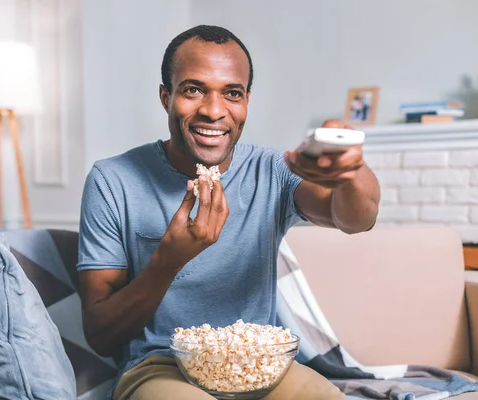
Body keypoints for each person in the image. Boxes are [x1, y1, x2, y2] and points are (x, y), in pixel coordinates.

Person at [77, 25, 380, 400]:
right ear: (165, 96)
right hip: (160, 367)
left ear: (246, 102)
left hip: (263, 365)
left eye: (232, 94)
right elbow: (101, 334)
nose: (214, 110)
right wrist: (168, 260)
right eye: (193, 89)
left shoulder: (273, 170)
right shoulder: (113, 180)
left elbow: (356, 219)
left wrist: (350, 173)